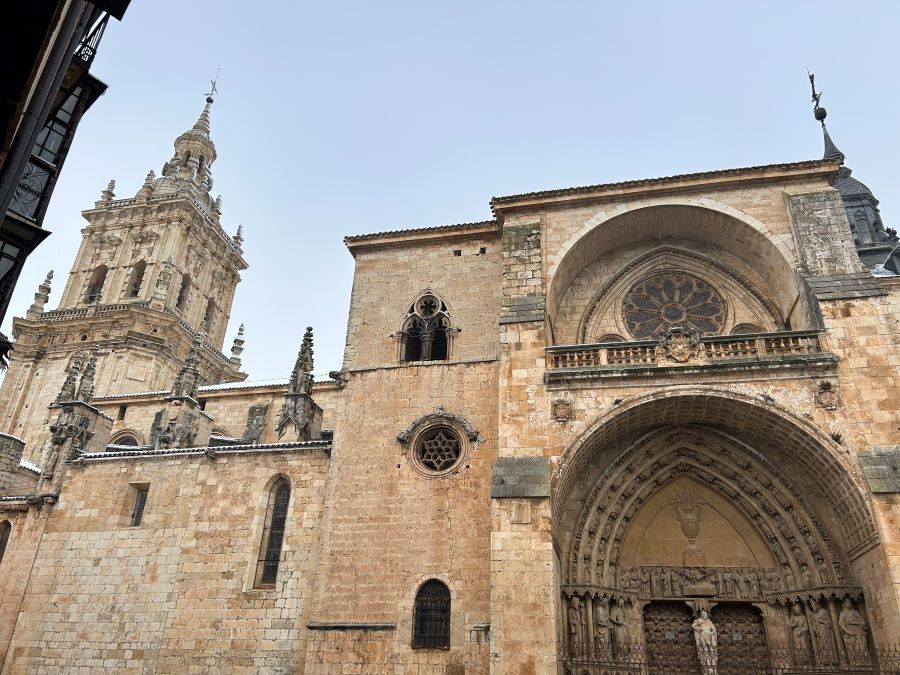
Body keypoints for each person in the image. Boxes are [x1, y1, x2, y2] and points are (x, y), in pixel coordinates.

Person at [692, 609, 718, 675]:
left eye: (705, 614)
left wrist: (712, 633)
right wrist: (700, 629)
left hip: (710, 636)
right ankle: (707, 668)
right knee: (704, 651)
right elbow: (693, 626)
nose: (704, 615)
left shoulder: (709, 621)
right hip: (703, 636)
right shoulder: (699, 620)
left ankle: (714, 668)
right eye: (703, 614)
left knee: (712, 651)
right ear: (701, 615)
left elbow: (714, 629)